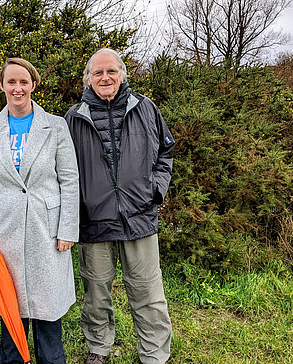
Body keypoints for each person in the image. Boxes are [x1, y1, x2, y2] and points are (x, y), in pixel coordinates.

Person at [64, 48, 175, 364]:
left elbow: (166, 151)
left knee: (148, 295)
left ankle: (153, 355)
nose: (105, 77)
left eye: (111, 71)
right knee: (96, 295)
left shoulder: (146, 108)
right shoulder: (74, 117)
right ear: (88, 79)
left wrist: (155, 189)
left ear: (122, 74)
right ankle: (98, 349)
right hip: (94, 221)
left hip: (139, 217)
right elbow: (64, 168)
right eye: (97, 73)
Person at [0, 58, 79, 364]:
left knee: (48, 313)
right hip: (4, 230)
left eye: (23, 82)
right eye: (11, 82)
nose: (17, 88)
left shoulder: (55, 126)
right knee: (10, 309)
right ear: (1, 85)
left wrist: (67, 228)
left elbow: (69, 178)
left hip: (48, 229)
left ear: (33, 85)